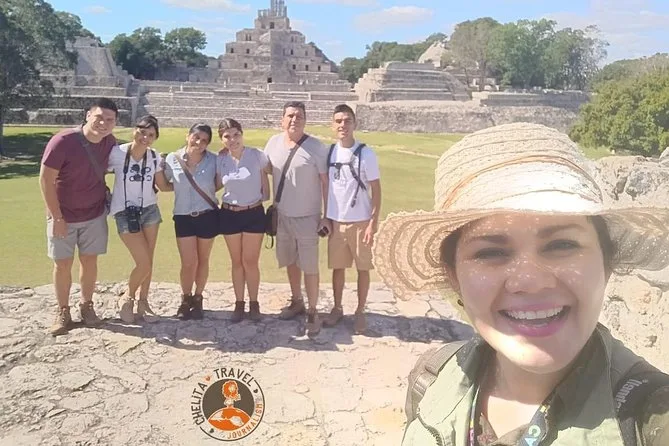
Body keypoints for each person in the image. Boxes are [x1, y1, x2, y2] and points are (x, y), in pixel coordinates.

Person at [372, 123, 669, 445]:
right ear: (454, 277)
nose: (530, 281)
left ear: (606, 264)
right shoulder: (431, 379)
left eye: (562, 245)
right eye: (490, 252)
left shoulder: (652, 418)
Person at [39, 98, 119, 336]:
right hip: (63, 215)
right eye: (99, 117)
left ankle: (87, 305)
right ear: (87, 116)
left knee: (89, 261)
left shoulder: (109, 142)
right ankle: (63, 310)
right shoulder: (63, 141)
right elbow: (45, 180)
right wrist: (57, 217)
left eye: (109, 120)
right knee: (62, 264)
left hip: (94, 213)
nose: (103, 123)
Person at [264, 101, 330, 337]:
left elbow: (325, 183)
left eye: (299, 116)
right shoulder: (273, 143)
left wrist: (326, 216)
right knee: (290, 261)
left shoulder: (316, 147)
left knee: (310, 267)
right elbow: (263, 167)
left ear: (305, 119)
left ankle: (312, 310)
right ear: (282, 119)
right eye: (290, 115)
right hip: (282, 215)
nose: (294, 119)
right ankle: (297, 300)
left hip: (307, 217)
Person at [323, 104, 381, 335]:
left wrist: (372, 223)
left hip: (360, 221)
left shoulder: (366, 153)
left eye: (347, 120)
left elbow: (376, 189)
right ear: (332, 125)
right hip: (336, 221)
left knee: (363, 269)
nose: (343, 125)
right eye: (338, 121)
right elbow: (325, 187)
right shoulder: (329, 152)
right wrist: (326, 217)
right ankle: (337, 307)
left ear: (354, 123)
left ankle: (360, 310)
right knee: (337, 268)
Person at [155, 123, 222, 320]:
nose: (199, 143)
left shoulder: (214, 160)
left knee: (203, 259)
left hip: (207, 215)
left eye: (204, 140)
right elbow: (164, 185)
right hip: (183, 216)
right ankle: (186, 298)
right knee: (188, 262)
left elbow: (217, 184)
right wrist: (180, 187)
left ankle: (198, 297)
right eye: (196, 137)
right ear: (188, 136)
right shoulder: (172, 158)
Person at [108, 115, 166, 323]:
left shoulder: (155, 157)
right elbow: (96, 172)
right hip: (124, 212)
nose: (145, 138)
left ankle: (143, 303)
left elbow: (163, 185)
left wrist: (187, 178)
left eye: (150, 135)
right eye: (142, 132)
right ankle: (128, 297)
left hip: (149, 210)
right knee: (143, 262)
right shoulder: (117, 153)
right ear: (134, 130)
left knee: (148, 260)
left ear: (155, 138)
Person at [216, 118, 270, 322]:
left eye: (236, 135)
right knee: (236, 261)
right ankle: (239, 303)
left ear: (242, 134)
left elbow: (269, 176)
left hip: (253, 213)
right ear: (222, 139)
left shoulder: (257, 155)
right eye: (227, 136)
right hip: (229, 213)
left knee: (250, 261)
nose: (232, 140)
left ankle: (254, 303)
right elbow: (214, 183)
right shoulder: (220, 159)